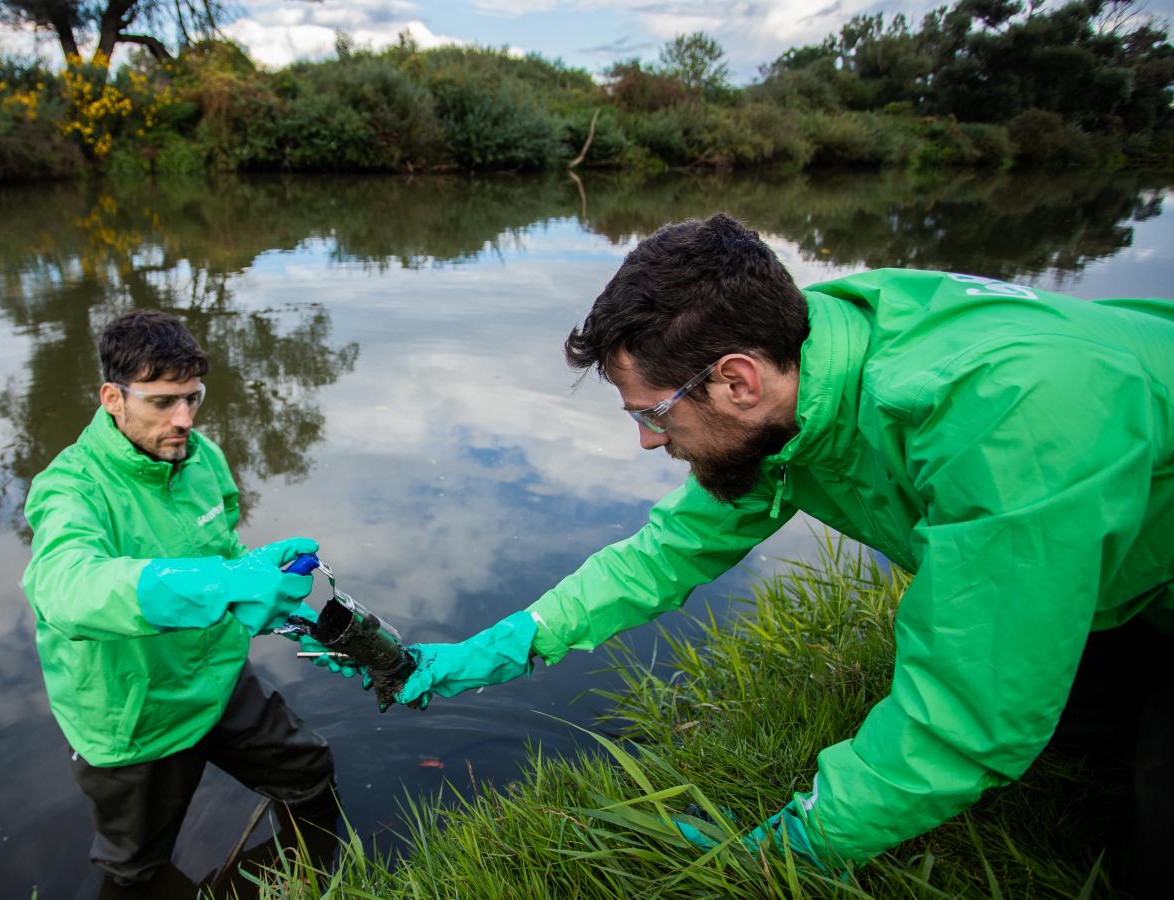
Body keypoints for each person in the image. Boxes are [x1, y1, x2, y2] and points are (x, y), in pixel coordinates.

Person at [392, 214, 1174, 888]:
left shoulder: (1005, 423)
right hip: (1110, 547)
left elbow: (964, 718)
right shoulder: (805, 355)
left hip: (1117, 516)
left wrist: (797, 848)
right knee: (1066, 743)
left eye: (653, 414)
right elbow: (673, 548)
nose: (645, 440)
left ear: (736, 382)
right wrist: (512, 642)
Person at [21, 309, 338, 893]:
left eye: (193, 398)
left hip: (217, 680)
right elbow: (66, 588)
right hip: (138, 718)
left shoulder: (200, 457)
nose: (185, 419)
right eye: (164, 402)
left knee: (309, 773)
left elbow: (219, 548)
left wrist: (251, 573)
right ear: (112, 397)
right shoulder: (71, 489)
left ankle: (313, 877)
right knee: (136, 873)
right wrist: (225, 586)